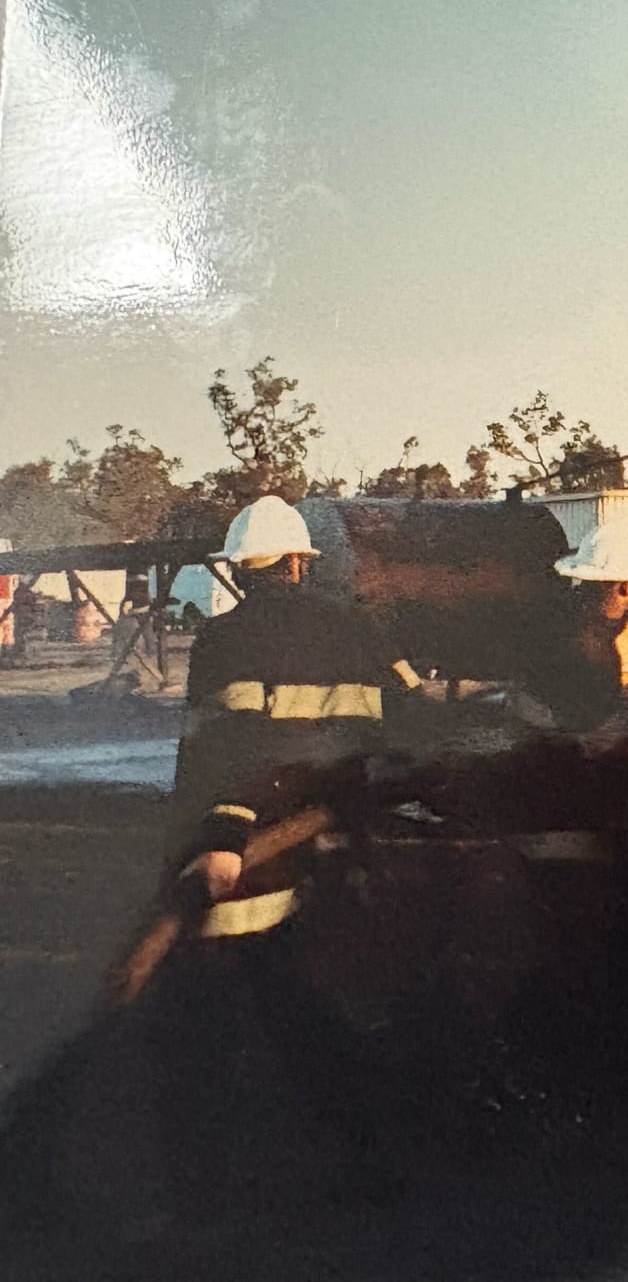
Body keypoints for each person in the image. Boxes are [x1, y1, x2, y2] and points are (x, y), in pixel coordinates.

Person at [150, 494, 424, 1216]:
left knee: (217, 1014)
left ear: (244, 568)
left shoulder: (225, 640)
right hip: (332, 856)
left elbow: (222, 750)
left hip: (249, 861)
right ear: (302, 561)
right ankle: (369, 1161)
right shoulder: (361, 627)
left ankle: (204, 1181)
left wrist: (211, 841)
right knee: (312, 1008)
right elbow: (416, 721)